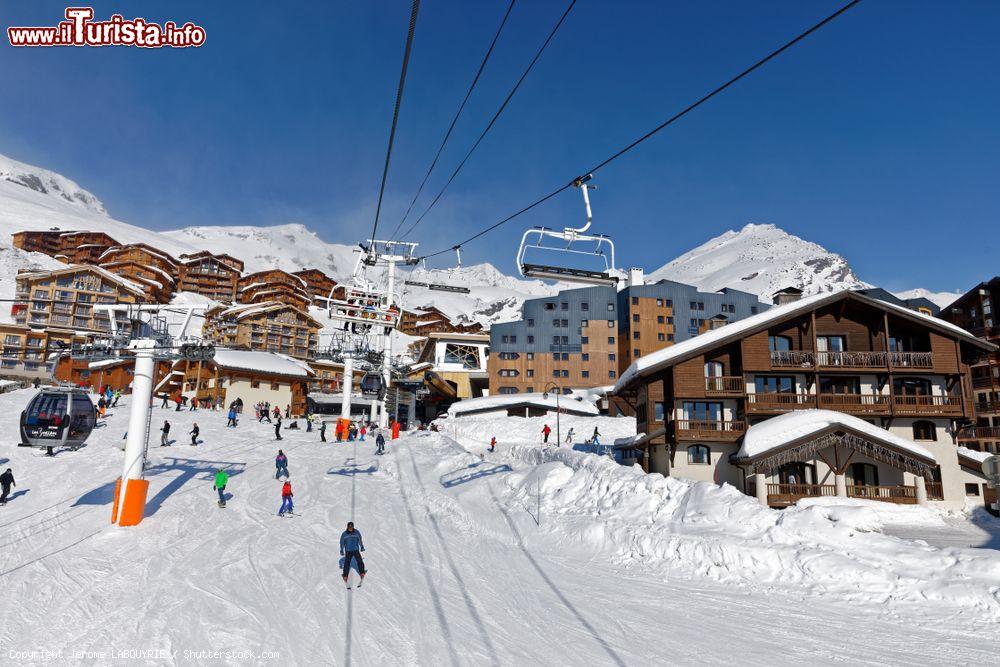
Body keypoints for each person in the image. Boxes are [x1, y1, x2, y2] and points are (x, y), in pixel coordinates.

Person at [340, 522, 366, 587]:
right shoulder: (344, 534)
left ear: (353, 527)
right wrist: (341, 550)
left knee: (359, 561)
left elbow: (360, 539)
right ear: (347, 527)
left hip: (356, 550)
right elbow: (341, 542)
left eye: (351, 527)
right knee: (347, 563)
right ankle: (345, 576)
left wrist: (362, 546)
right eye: (349, 527)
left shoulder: (356, 532)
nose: (350, 529)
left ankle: (362, 572)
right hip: (348, 551)